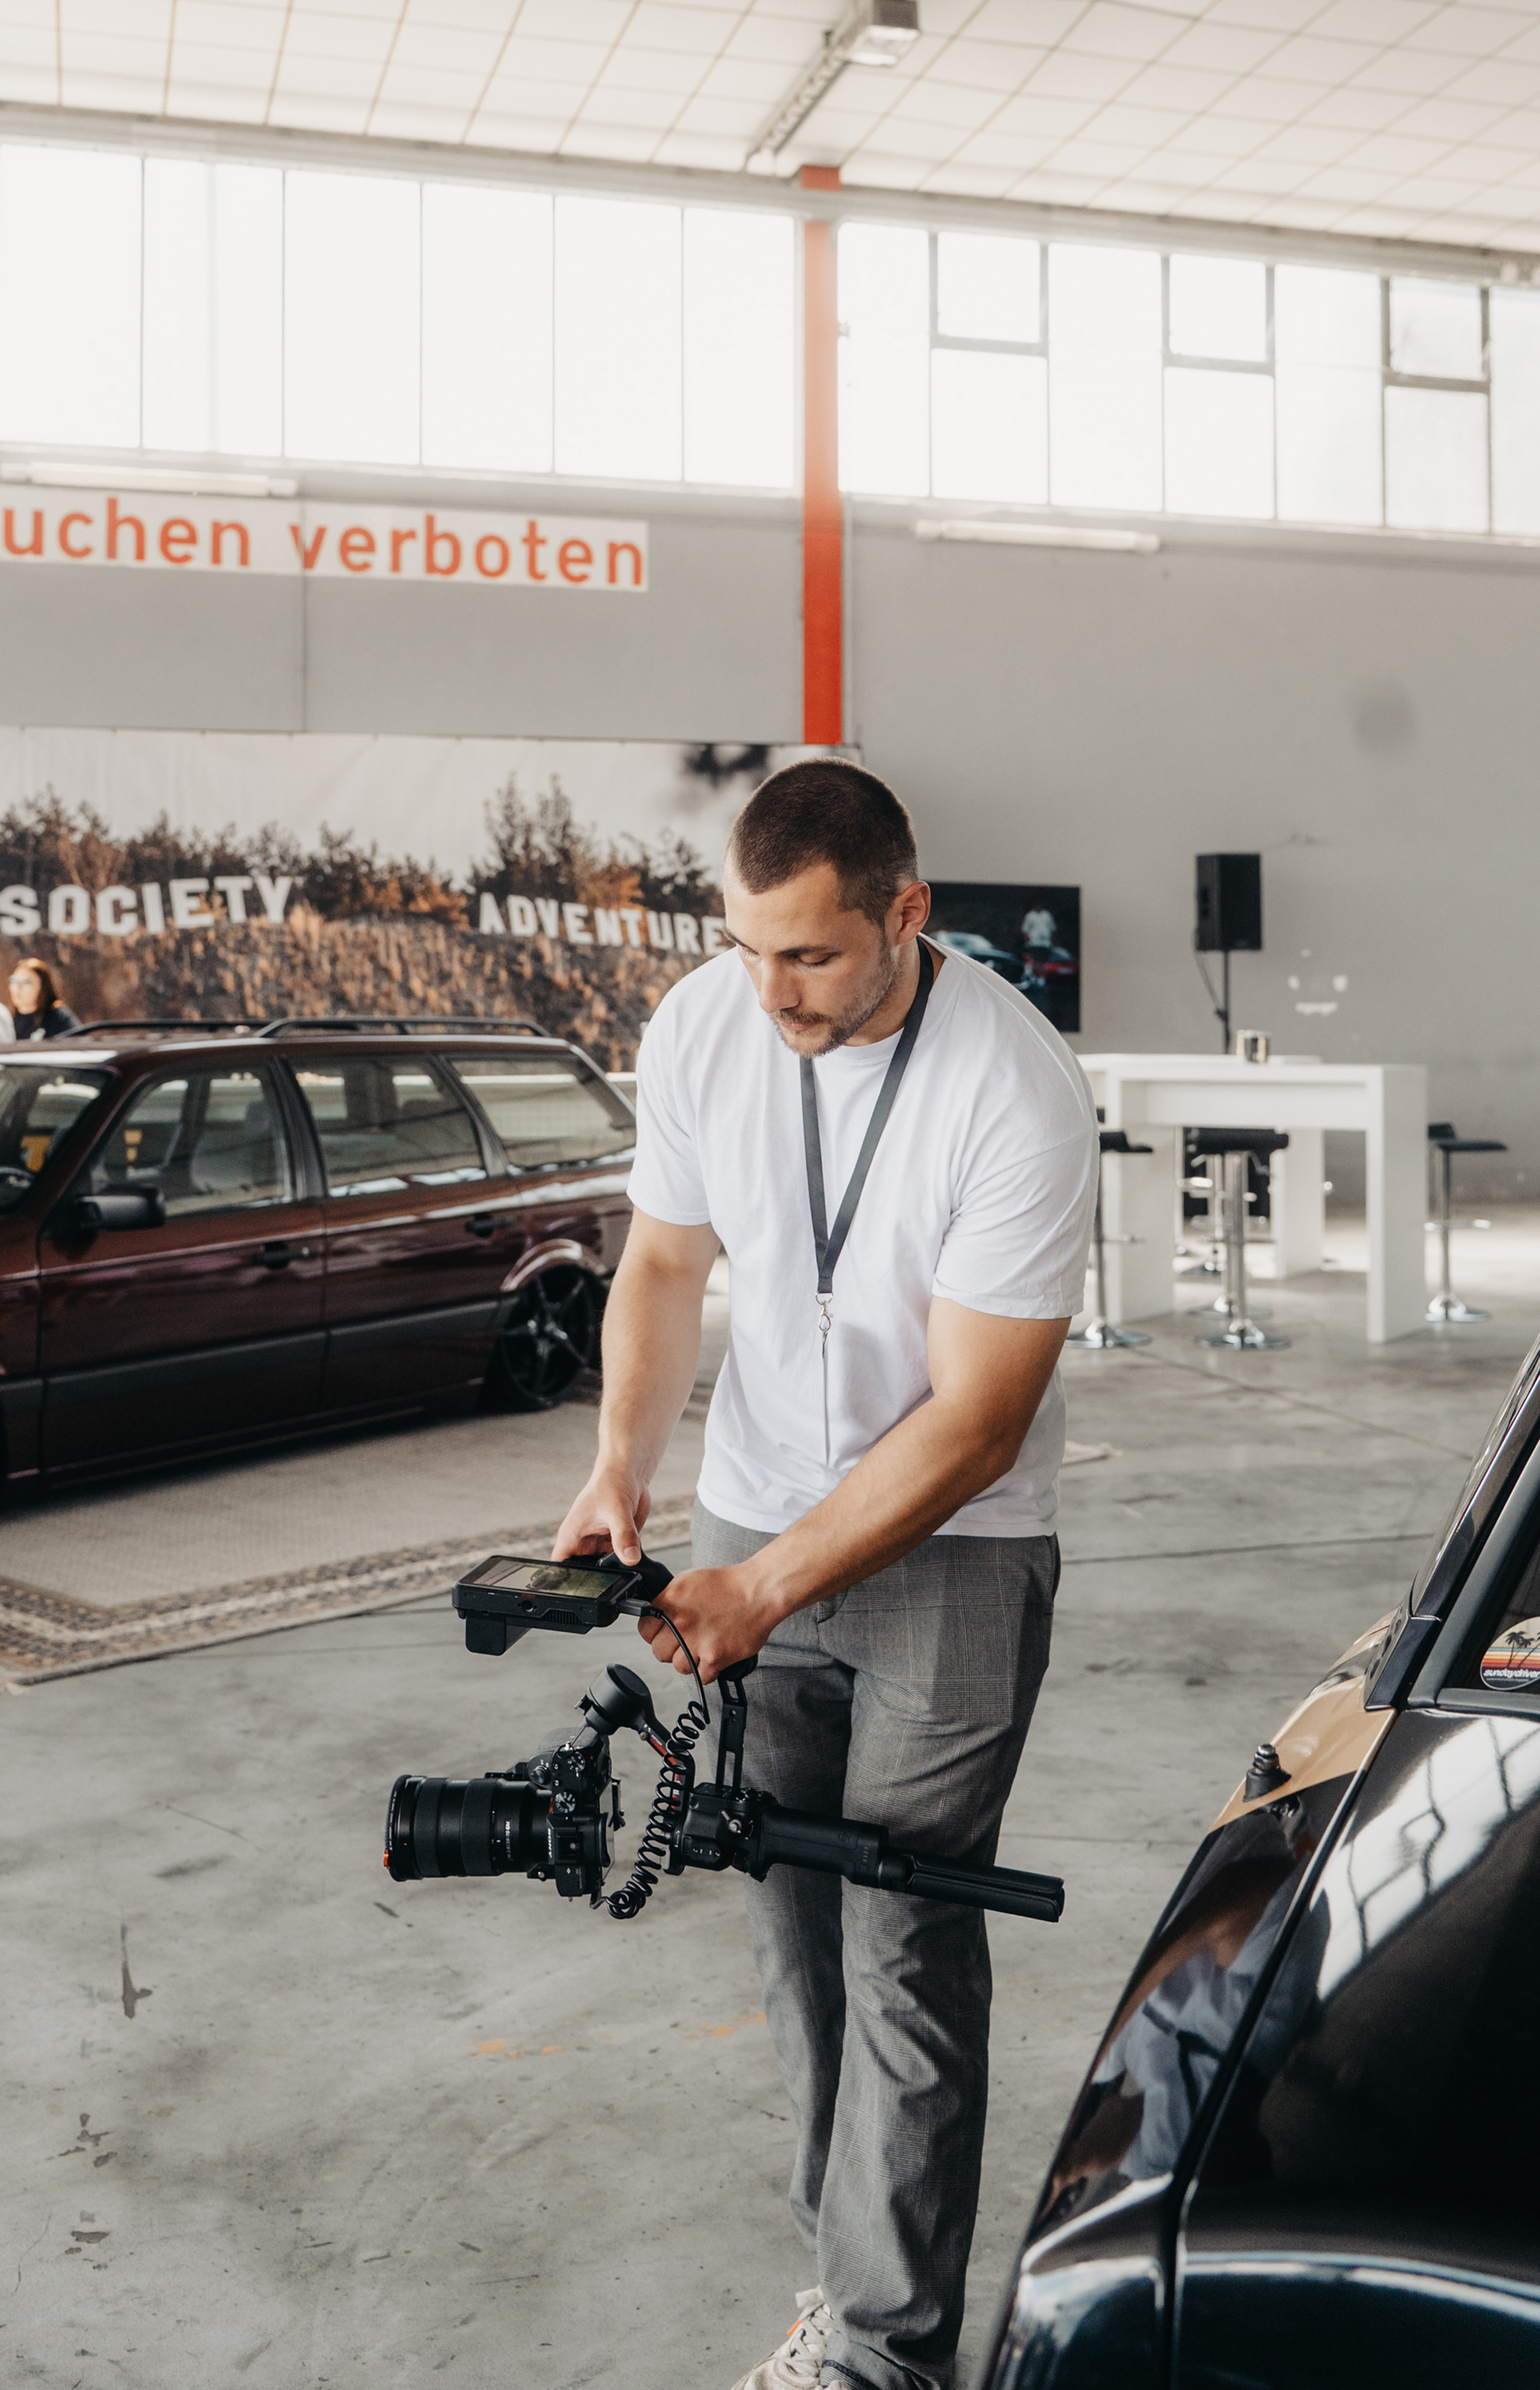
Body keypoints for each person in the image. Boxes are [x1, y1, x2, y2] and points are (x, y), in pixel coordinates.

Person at [554, 760, 1099, 2390]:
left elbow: (978, 1424)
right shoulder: (703, 1026)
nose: (771, 990)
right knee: (790, 1927)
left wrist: (768, 1584)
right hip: (750, 1525)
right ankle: (844, 2276)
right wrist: (623, 1458)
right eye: (747, 947)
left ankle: (883, 2351)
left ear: (906, 913)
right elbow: (665, 1260)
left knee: (902, 1936)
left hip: (955, 1553)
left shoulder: (1013, 1086)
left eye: (809, 954)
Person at [9, 960, 80, 1039]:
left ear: (42, 987)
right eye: (13, 980)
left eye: (26, 982)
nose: (18, 987)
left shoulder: (59, 1017)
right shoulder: (7, 1019)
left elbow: (78, 1042)